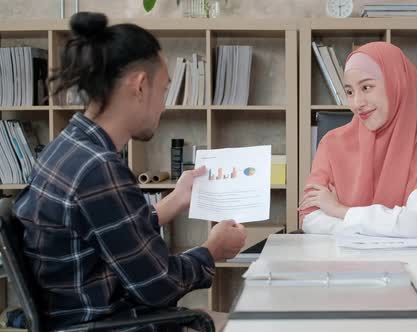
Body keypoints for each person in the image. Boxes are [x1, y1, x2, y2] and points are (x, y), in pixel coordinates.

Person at [12, 12, 246, 332]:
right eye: (163, 91)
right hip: (111, 324)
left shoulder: (69, 146)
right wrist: (212, 249)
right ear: (139, 85)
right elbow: (158, 286)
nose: (164, 106)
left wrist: (176, 199)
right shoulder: (98, 169)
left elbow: (113, 232)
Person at [299, 41, 417, 239]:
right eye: (349, 91)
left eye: (366, 87)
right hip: (340, 263)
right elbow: (308, 217)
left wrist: (338, 210)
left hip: (410, 265)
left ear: (397, 84)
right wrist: (396, 228)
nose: (357, 103)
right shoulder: (331, 143)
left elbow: (413, 223)